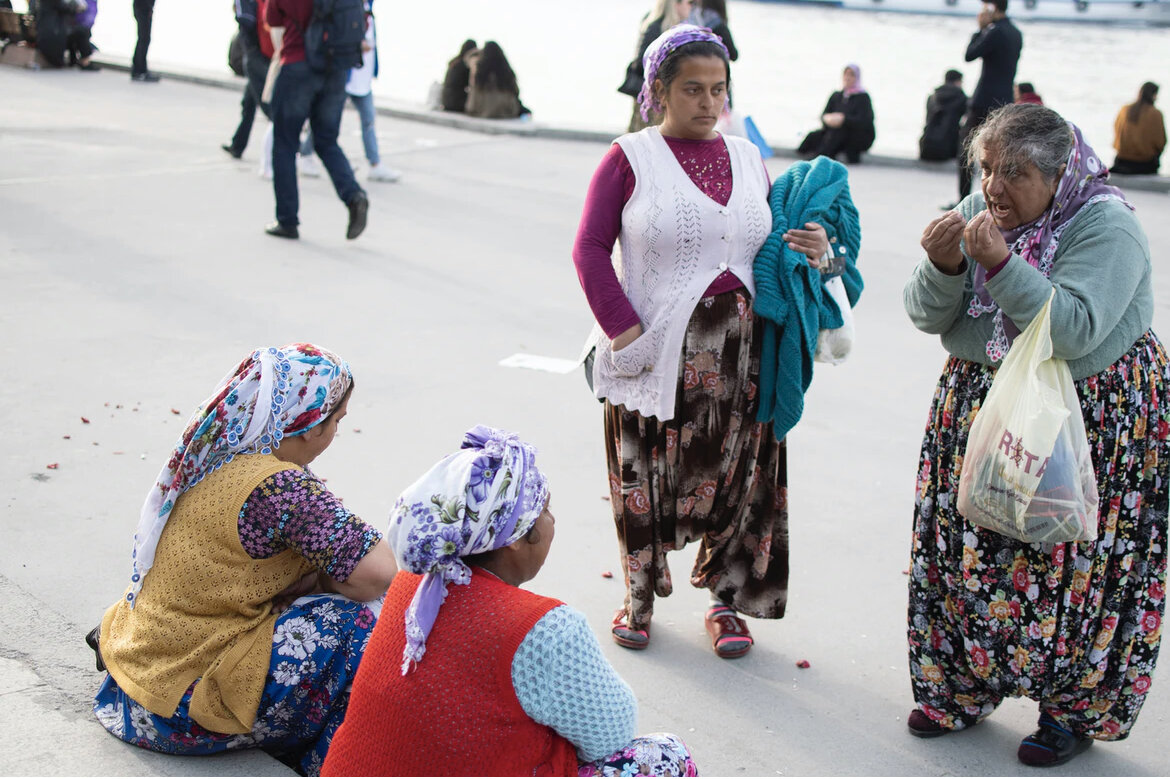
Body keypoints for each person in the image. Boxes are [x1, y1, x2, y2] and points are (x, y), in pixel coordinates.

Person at [903, 103, 1168, 767]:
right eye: (987, 167)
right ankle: (959, 687)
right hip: (986, 401)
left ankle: (1069, 709)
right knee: (966, 548)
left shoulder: (1107, 226)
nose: (993, 186)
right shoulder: (982, 209)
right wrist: (943, 267)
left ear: (1060, 172)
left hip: (1089, 416)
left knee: (1077, 566)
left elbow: (1073, 328)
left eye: (1014, 172)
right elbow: (927, 313)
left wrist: (997, 263)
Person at [574, 25, 810, 659]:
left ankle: (727, 603)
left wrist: (812, 250)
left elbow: (767, 246)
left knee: (740, 474)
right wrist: (626, 331)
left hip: (743, 355)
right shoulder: (629, 157)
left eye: (719, 90)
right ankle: (639, 596)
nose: (709, 103)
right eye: (693, 90)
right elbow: (590, 249)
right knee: (644, 476)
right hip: (655, 355)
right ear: (658, 92)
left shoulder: (746, 157)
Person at [88, 343, 399, 776]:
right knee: (356, 627)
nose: (334, 434)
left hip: (133, 683)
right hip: (176, 712)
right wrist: (320, 585)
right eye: (337, 422)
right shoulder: (277, 486)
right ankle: (333, 763)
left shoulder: (219, 454)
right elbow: (380, 572)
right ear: (310, 426)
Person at [321, 426, 697, 777]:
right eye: (545, 510)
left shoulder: (411, 583)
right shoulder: (546, 628)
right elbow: (611, 735)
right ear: (516, 537)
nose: (552, 522)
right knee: (666, 755)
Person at [265, 0, 369, 240]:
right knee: (327, 141)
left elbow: (273, 21)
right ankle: (354, 196)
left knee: (285, 143)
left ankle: (287, 220)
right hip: (336, 69)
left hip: (297, 65)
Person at [297, 1, 400, 183]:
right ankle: (307, 154)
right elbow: (338, 33)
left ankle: (375, 164)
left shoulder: (367, 7)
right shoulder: (344, 5)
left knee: (368, 119)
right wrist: (358, 46)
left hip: (362, 76)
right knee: (327, 123)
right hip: (345, 73)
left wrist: (374, 69)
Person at [953, 0, 1022, 206]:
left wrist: (980, 29)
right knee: (1000, 154)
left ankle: (963, 201)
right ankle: (998, 199)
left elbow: (970, 54)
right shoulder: (1015, 32)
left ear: (992, 8)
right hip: (1005, 101)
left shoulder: (995, 32)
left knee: (966, 151)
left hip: (984, 101)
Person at [622, 0, 696, 133]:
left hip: (661, 95)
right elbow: (641, 63)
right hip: (650, 97)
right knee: (645, 138)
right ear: (676, 4)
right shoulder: (657, 27)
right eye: (690, 2)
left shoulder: (674, 27)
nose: (692, 6)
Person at [222, 0, 273, 160]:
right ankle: (238, 144)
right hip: (262, 51)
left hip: (254, 53)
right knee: (249, 103)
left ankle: (296, 144)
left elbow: (246, 20)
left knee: (267, 106)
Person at [797, 64, 875, 164]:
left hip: (856, 136)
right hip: (834, 131)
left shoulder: (863, 97)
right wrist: (828, 119)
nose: (848, 78)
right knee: (815, 136)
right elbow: (824, 114)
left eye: (851, 75)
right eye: (846, 74)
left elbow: (865, 121)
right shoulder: (837, 95)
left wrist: (844, 119)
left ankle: (820, 158)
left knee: (837, 134)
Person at [1112, 82, 1165, 175]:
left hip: (1121, 161)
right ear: (1154, 95)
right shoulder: (1155, 113)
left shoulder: (1125, 109)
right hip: (1144, 164)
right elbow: (1161, 142)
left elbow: (1116, 131)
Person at [464, 41, 526, 119]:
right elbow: (516, 93)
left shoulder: (480, 72)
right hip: (507, 113)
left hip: (483, 112)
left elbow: (474, 97)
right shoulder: (507, 71)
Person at [919, 69, 967, 161]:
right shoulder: (961, 97)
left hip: (926, 146)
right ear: (958, 81)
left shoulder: (932, 97)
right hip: (947, 149)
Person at [32, 0, 95, 69]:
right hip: (53, 38)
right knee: (82, 31)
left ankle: (76, 60)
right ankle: (85, 62)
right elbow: (66, 7)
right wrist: (80, 6)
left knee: (78, 30)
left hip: (49, 35)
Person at [439, 38, 476, 112]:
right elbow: (471, 84)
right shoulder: (464, 65)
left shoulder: (454, 62)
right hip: (456, 102)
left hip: (446, 101)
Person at [130, 0, 158, 82]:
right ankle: (140, 70)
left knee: (143, 38)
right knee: (144, 38)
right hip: (144, 8)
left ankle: (138, 68)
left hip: (142, 7)